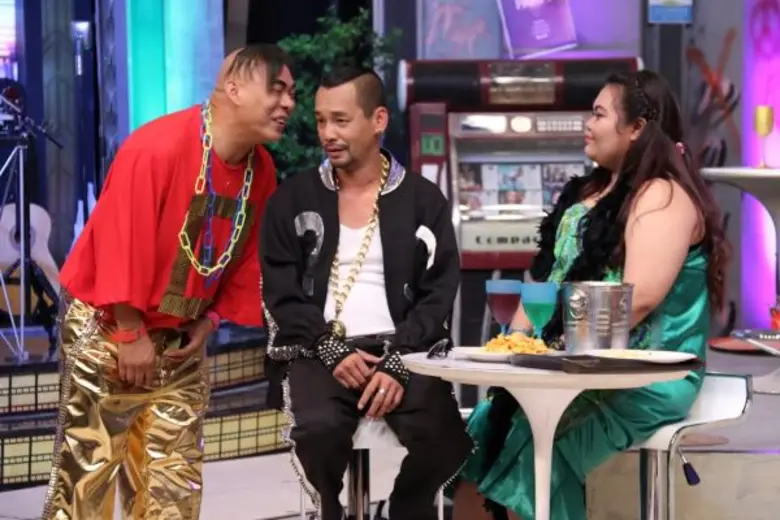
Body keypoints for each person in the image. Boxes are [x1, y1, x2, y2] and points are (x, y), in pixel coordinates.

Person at [451, 69, 730, 520]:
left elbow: (638, 298)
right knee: (482, 435)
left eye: (599, 114)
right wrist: (514, 344)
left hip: (637, 375)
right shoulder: (588, 192)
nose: (587, 124)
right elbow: (546, 277)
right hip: (567, 365)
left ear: (636, 128)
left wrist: (557, 350)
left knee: (537, 441)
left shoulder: (662, 195)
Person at [42, 44, 295, 520]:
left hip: (180, 335)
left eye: (292, 94)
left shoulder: (260, 170)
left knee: (174, 476)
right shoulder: (157, 146)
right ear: (234, 88)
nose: (288, 104)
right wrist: (130, 332)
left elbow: (246, 257)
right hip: (109, 324)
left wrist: (211, 319)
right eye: (277, 90)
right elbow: (120, 238)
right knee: (90, 475)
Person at [261, 65, 472, 520]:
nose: (328, 134)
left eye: (340, 120)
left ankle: (403, 509)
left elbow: (438, 293)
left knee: (446, 438)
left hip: (404, 349)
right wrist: (328, 348)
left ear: (378, 120)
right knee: (318, 431)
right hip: (319, 350)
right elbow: (280, 290)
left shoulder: (422, 200)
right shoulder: (293, 199)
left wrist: (400, 360)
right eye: (321, 120)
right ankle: (331, 512)